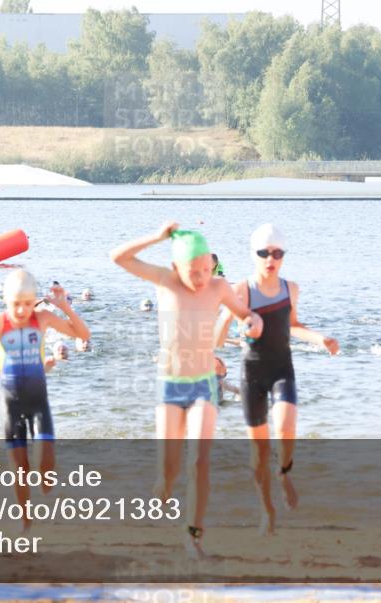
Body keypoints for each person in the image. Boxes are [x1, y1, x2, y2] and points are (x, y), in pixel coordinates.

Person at [110, 222, 263, 558]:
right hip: (170, 386)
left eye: (207, 269)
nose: (201, 278)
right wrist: (156, 237)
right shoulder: (165, 281)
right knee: (169, 469)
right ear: (177, 268)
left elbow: (245, 315)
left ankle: (193, 535)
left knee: (199, 462)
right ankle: (162, 488)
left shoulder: (219, 286)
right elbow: (118, 257)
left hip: (203, 385)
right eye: (194, 272)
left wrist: (254, 322)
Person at [215, 223, 339, 536]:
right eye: (264, 253)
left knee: (285, 426)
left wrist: (319, 338)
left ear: (283, 256)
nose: (271, 259)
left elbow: (293, 325)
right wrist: (238, 323)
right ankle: (267, 512)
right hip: (251, 374)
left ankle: (284, 473)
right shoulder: (241, 289)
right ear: (254, 255)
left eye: (277, 253)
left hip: (282, 369)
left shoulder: (290, 289)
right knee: (258, 453)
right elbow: (218, 335)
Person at [0, 270, 90, 530]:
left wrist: (64, 307)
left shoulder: (43, 318)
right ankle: (26, 522)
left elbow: (83, 335)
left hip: (38, 401)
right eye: (16, 304)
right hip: (10, 402)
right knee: (20, 469)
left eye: (28, 303)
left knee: (46, 475)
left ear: (34, 301)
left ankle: (43, 488)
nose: (22, 310)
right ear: (6, 300)